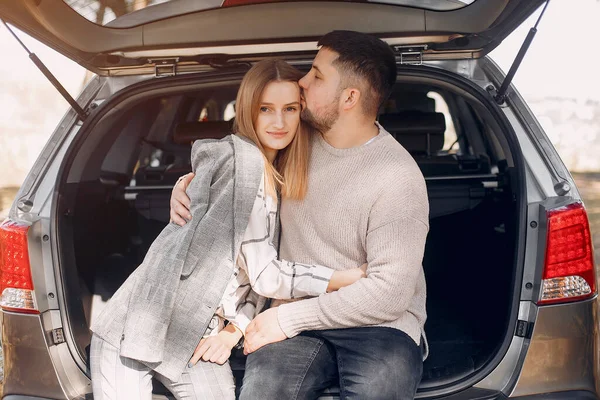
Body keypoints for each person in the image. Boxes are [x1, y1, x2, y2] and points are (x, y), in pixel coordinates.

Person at [170, 30, 430, 400]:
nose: (301, 82)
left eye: (316, 75)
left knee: (380, 390)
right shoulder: (294, 135)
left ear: (349, 98)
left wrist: (284, 319)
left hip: (378, 327)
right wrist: (188, 186)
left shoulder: (398, 177)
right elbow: (235, 160)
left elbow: (389, 294)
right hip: (294, 319)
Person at [89, 59, 367, 400]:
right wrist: (346, 278)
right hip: (137, 325)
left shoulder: (279, 172)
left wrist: (235, 330)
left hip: (197, 332)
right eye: (266, 108)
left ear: (302, 112)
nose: (279, 122)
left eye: (290, 108)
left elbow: (251, 276)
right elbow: (267, 276)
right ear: (248, 110)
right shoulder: (243, 163)